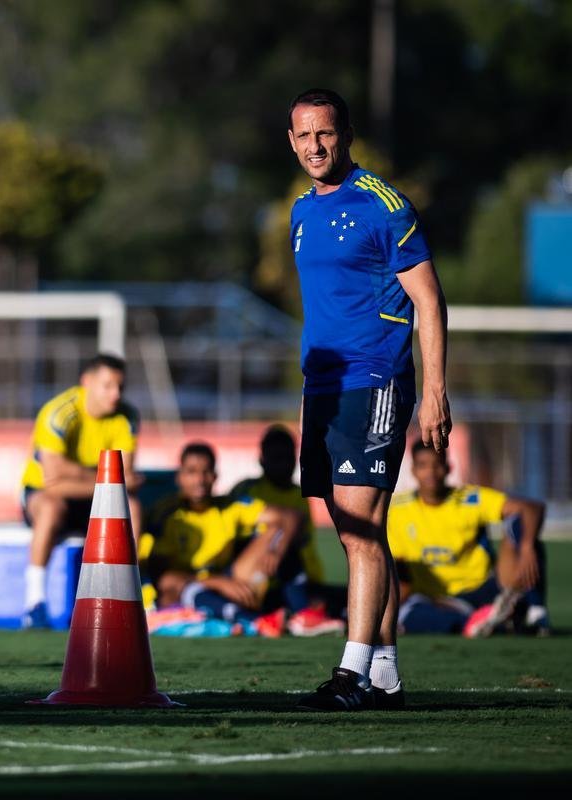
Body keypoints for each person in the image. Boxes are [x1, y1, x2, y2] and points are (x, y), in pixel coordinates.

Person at [286, 88, 450, 711]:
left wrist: (433, 392)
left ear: (346, 134)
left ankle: (351, 674)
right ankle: (383, 675)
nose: (314, 147)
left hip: (376, 379)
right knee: (356, 533)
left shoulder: (384, 205)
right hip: (322, 390)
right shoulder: (301, 212)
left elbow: (430, 301)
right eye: (302, 136)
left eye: (324, 133)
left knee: (361, 531)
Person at [19, 353, 141, 628]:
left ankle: (132, 594)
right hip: (44, 494)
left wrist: (76, 475)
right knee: (51, 506)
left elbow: (125, 476)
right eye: (108, 385)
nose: (116, 394)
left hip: (88, 494)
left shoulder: (128, 416)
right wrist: (109, 477)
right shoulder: (59, 413)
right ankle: (34, 602)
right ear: (87, 382)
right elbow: (53, 477)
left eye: (120, 387)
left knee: (133, 507)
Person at [388, 440, 549, 636]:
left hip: (484, 590)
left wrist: (526, 548)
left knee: (520, 524)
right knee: (407, 615)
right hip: (435, 599)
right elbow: (399, 568)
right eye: (423, 465)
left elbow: (531, 508)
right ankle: (484, 622)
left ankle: (535, 614)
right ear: (413, 470)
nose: (431, 472)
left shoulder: (469, 499)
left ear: (448, 467)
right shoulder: (397, 510)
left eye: (437, 464)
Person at [146, 442, 304, 634]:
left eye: (206, 472)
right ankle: (253, 621)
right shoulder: (167, 514)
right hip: (184, 588)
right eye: (191, 472)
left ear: (215, 476)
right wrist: (214, 582)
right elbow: (160, 576)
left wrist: (276, 551)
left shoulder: (230, 507)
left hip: (227, 582)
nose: (200, 480)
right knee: (175, 585)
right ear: (179, 477)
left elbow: (290, 516)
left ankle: (300, 613)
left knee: (274, 533)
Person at [228, 424, 346, 636]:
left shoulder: (299, 495)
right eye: (276, 458)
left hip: (302, 581)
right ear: (262, 459)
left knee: (348, 597)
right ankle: (302, 614)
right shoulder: (248, 491)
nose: (283, 464)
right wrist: (276, 549)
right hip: (261, 582)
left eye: (287, 457)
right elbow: (237, 543)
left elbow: (303, 540)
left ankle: (306, 612)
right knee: (288, 556)